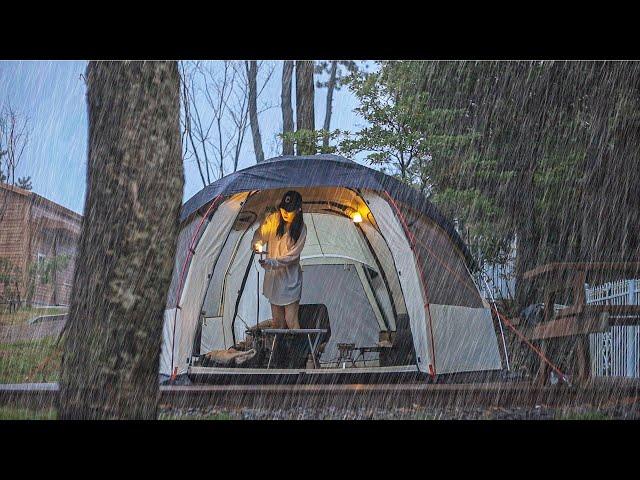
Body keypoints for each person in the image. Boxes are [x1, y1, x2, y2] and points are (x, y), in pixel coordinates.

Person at [252, 190, 307, 330]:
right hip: (275, 279)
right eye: (283, 209)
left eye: (290, 210)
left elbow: (292, 256)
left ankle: (299, 350)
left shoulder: (301, 229)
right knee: (278, 323)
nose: (285, 213)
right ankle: (280, 351)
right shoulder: (274, 219)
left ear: (299, 209)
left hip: (290, 280)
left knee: (291, 320)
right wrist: (256, 242)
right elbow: (260, 234)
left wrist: (272, 262)